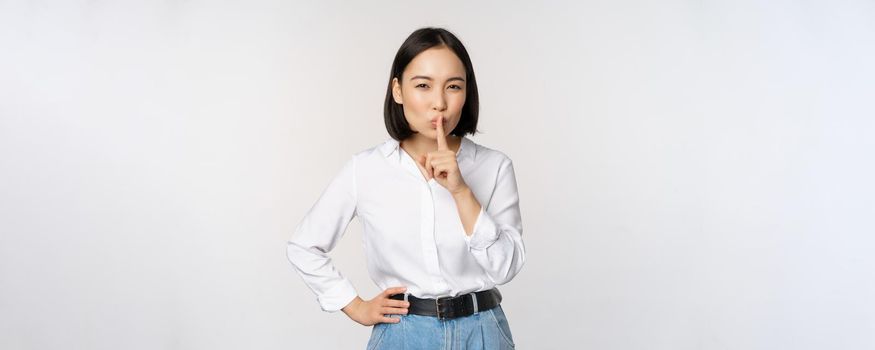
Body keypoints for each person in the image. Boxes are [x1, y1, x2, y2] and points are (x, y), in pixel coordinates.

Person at [286, 27, 526, 349]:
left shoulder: (495, 167)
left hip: (482, 332)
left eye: (453, 86)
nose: (439, 103)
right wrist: (354, 305)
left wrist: (460, 191)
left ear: (467, 93)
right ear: (398, 90)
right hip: (403, 334)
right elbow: (304, 245)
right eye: (423, 85)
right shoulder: (366, 169)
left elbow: (506, 267)